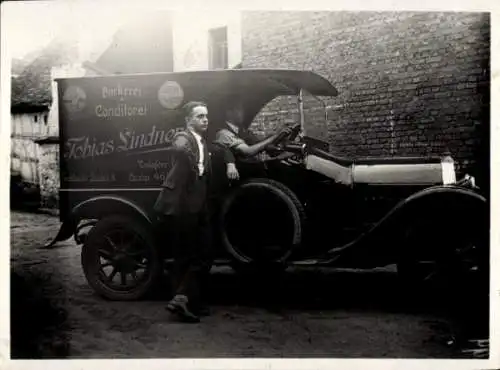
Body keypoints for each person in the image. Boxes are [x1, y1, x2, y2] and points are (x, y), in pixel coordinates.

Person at [153, 101, 215, 323]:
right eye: (200, 116)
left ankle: (185, 299)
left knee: (202, 255)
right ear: (188, 120)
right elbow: (178, 148)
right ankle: (183, 300)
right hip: (182, 206)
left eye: (206, 116)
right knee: (189, 256)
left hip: (197, 207)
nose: (205, 120)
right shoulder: (184, 137)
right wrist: (193, 163)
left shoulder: (203, 141)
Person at [214, 101, 292, 164]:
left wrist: (278, 143)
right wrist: (275, 135)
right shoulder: (224, 133)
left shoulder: (242, 130)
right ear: (229, 112)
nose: (242, 113)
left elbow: (259, 144)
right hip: (243, 173)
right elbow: (248, 151)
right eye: (239, 109)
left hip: (252, 167)